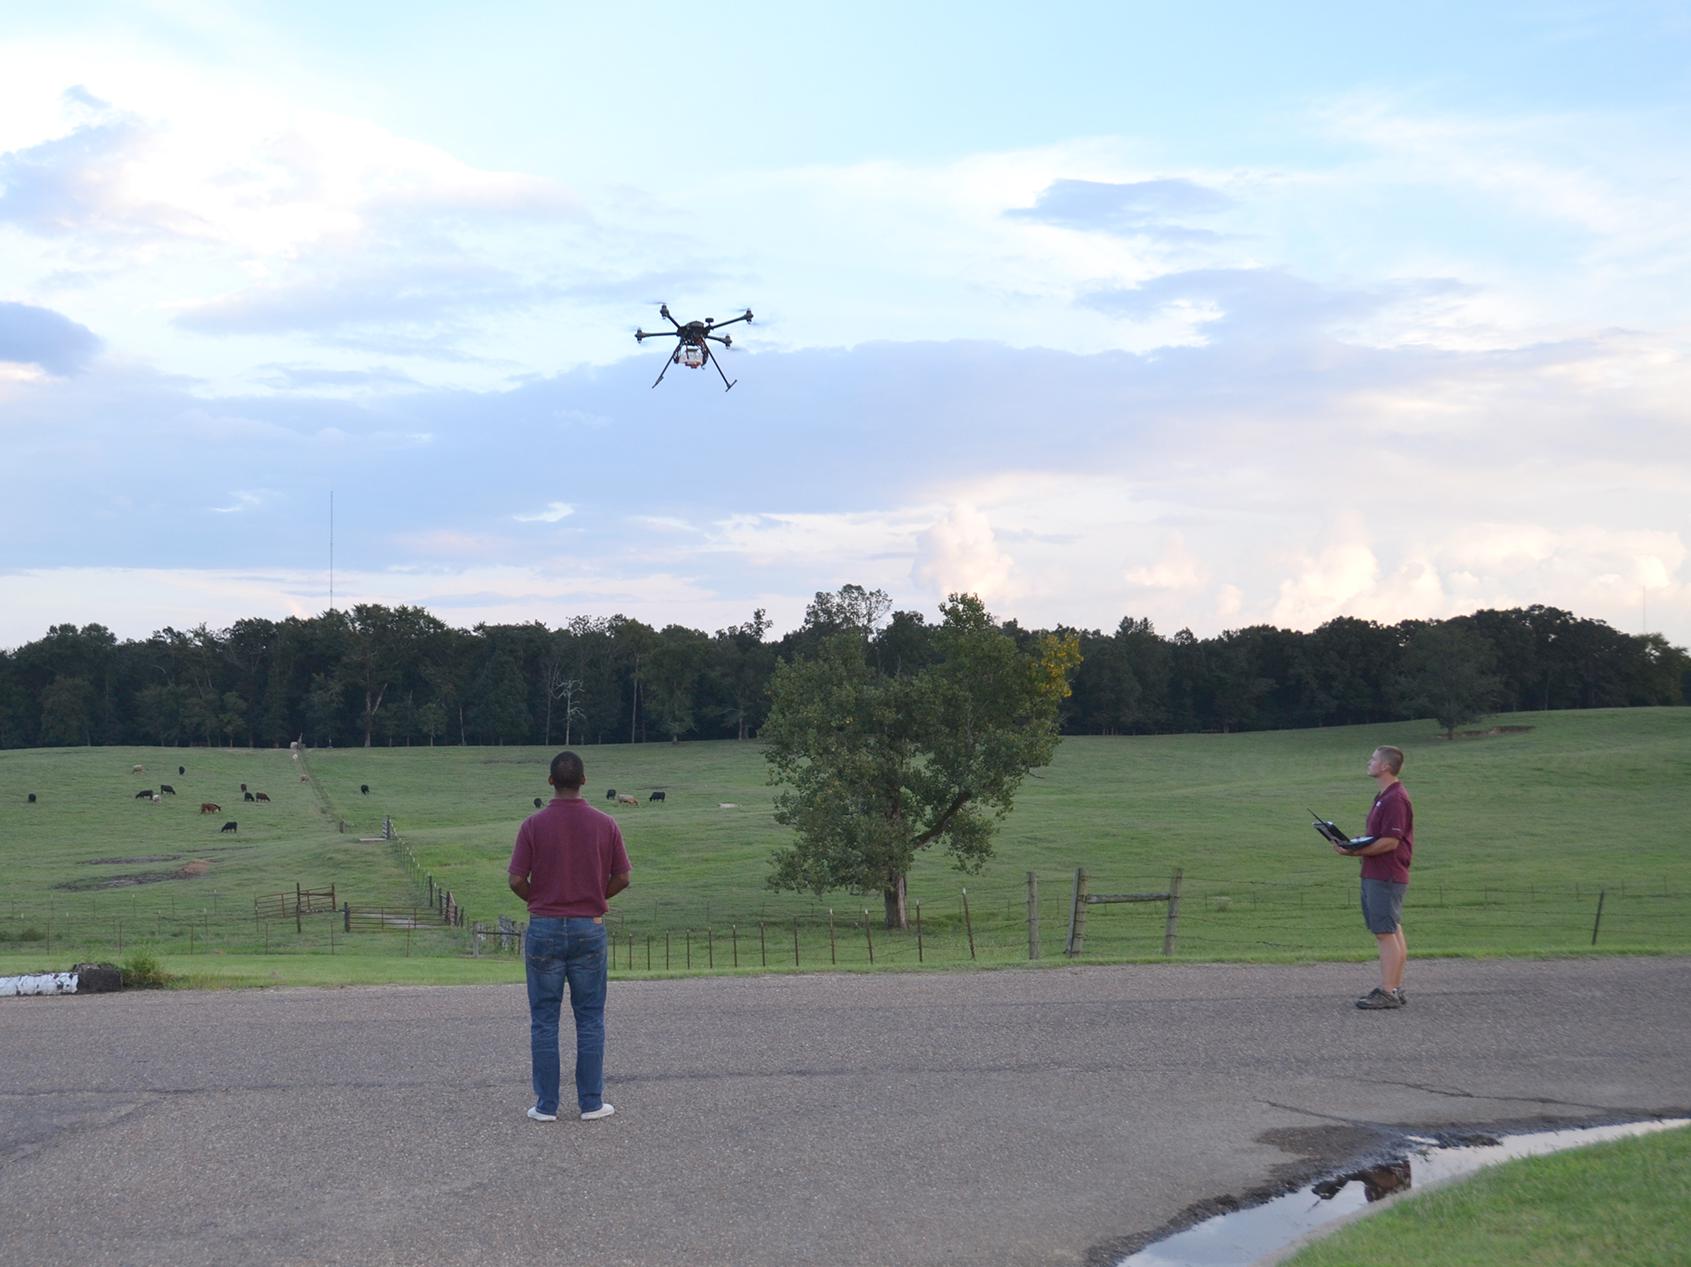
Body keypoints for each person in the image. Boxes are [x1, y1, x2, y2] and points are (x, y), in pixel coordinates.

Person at [508, 751, 632, 1121]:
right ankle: (591, 1103)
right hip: (587, 926)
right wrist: (595, 896)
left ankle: (546, 1105)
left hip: (544, 925)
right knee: (590, 1018)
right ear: (584, 781)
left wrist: (541, 901)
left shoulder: (533, 825)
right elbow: (624, 876)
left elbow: (516, 879)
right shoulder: (605, 823)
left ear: (550, 782)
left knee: (544, 1019)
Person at [1334, 745, 1413, 1010]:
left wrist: (1353, 852)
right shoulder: (1384, 796)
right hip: (1377, 871)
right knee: (1391, 929)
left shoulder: (1395, 798)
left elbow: (1391, 841)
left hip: (1386, 873)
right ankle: (1394, 986)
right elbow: (1379, 836)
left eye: (1373, 760)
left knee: (1384, 932)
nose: (1369, 763)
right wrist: (1354, 845)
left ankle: (1388, 991)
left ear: (1386, 767)